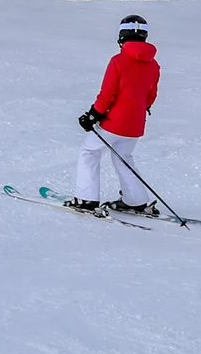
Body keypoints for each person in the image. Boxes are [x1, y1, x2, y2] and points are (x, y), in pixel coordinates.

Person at [65, 13, 160, 216]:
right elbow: (151, 96)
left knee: (89, 152)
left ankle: (86, 198)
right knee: (123, 156)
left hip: (114, 122)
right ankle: (135, 200)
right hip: (135, 124)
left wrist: (93, 115)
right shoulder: (153, 65)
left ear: (121, 35)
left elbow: (107, 94)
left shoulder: (118, 61)